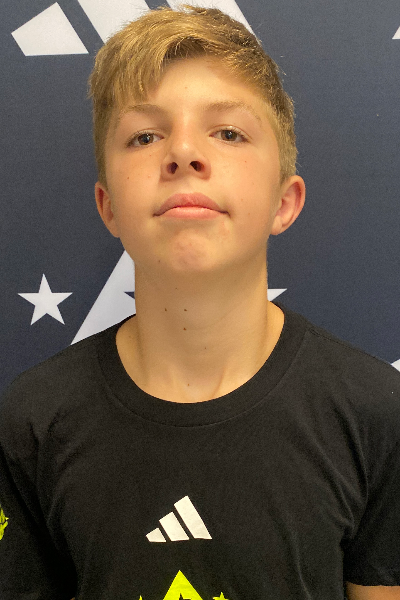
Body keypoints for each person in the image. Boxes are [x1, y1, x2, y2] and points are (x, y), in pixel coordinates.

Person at [0, 5, 399, 599]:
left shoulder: (375, 414)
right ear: (108, 207)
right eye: (145, 136)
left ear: (284, 202)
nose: (184, 153)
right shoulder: (34, 421)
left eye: (228, 132)